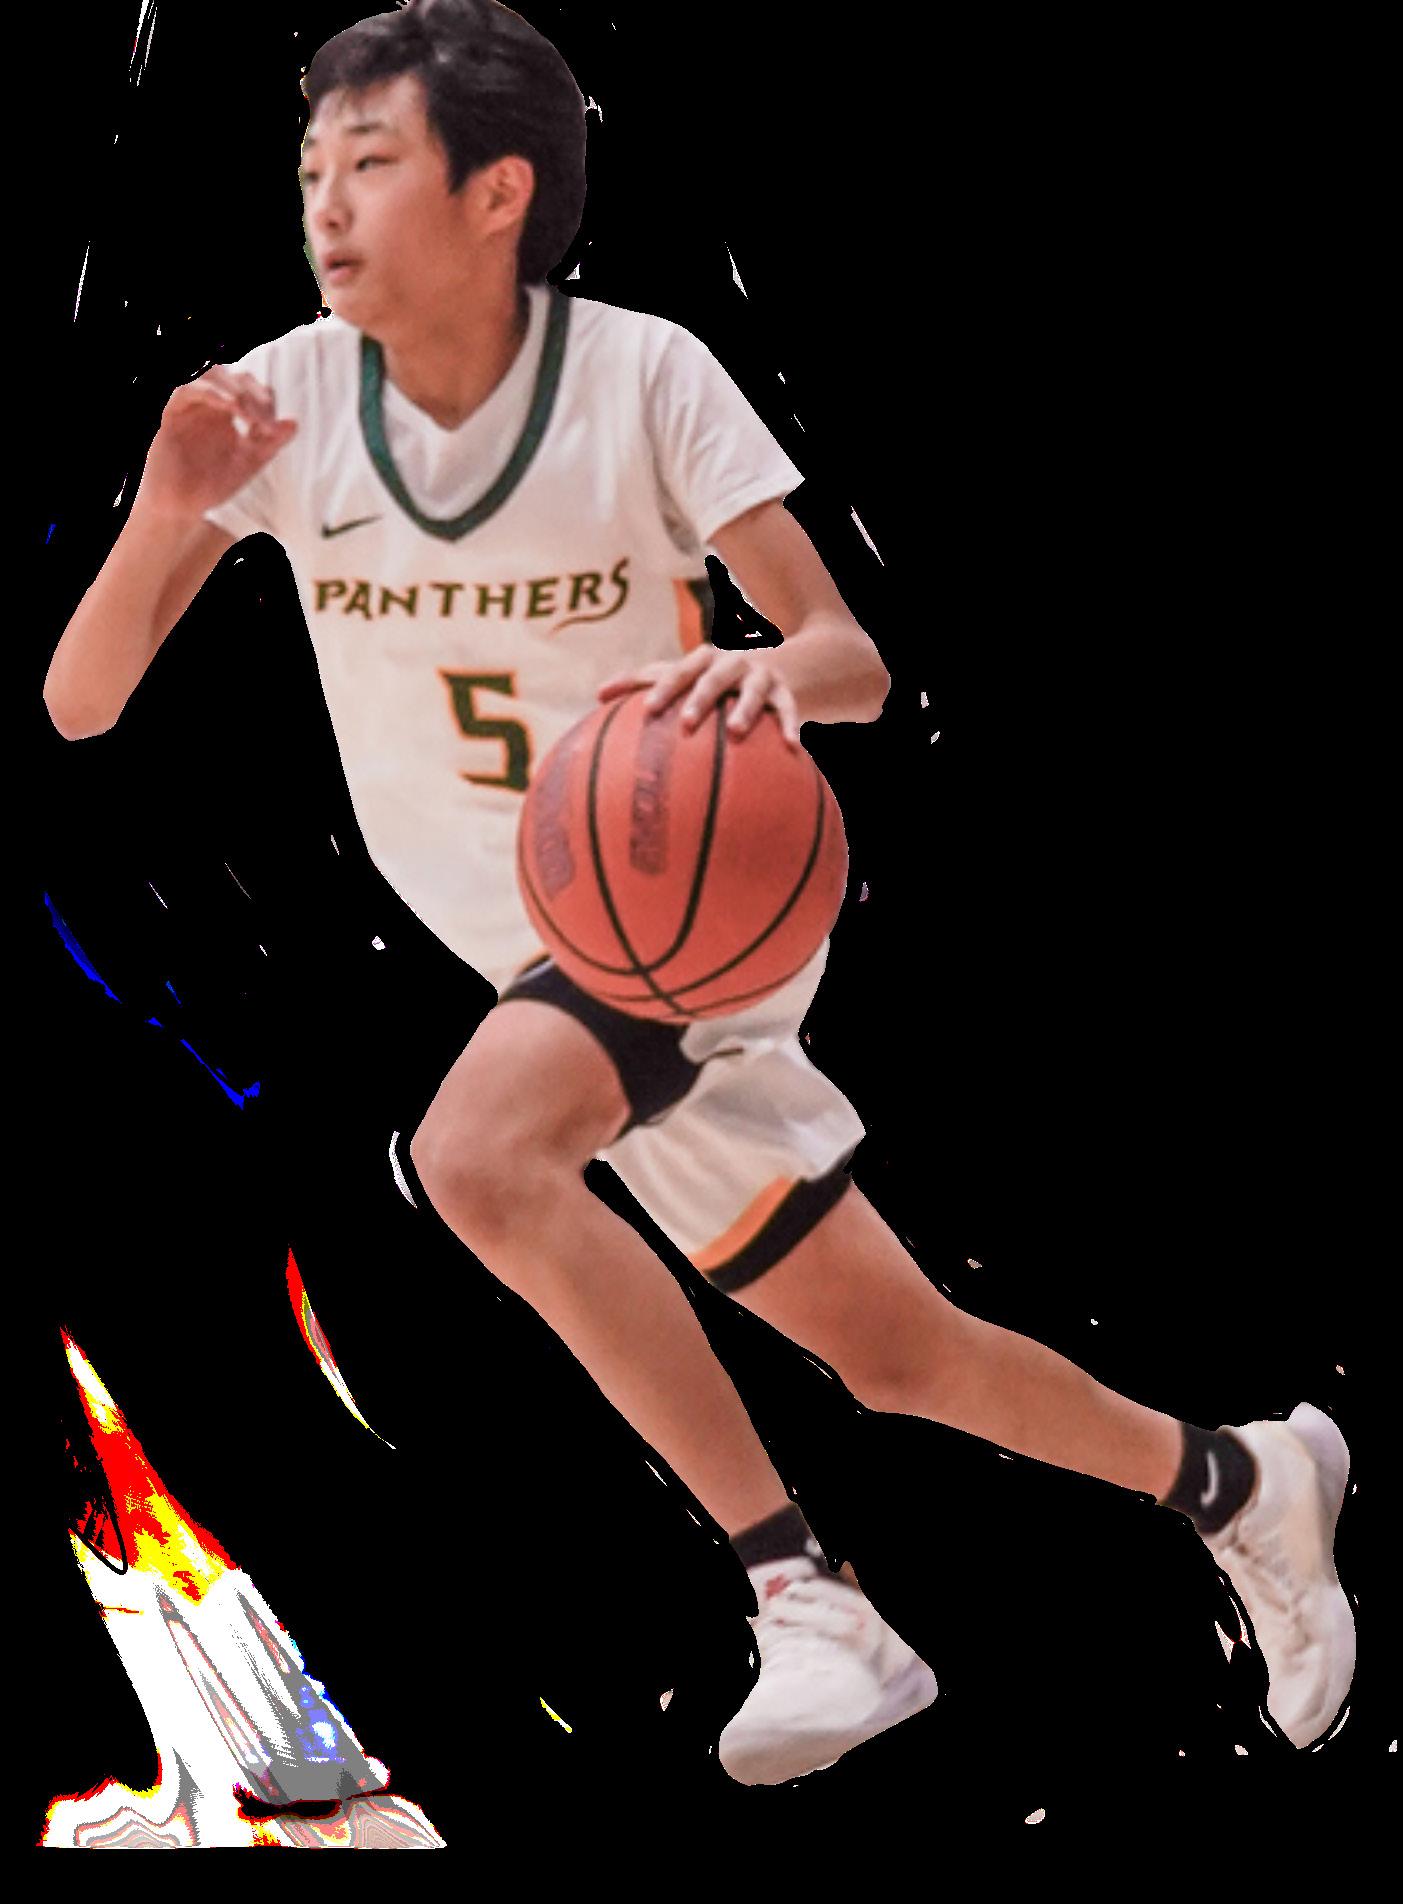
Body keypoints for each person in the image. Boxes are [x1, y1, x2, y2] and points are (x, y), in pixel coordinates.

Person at [42, 0, 1355, 1783]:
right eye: (310, 169)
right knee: (896, 1353)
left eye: (369, 165)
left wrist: (766, 672)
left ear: (498, 192)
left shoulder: (644, 377)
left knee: (479, 1158)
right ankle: (1240, 1480)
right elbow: (81, 702)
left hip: (690, 884)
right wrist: (164, 505)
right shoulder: (280, 407)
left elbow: (849, 656)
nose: (325, 206)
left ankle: (806, 1597)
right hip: (544, 954)